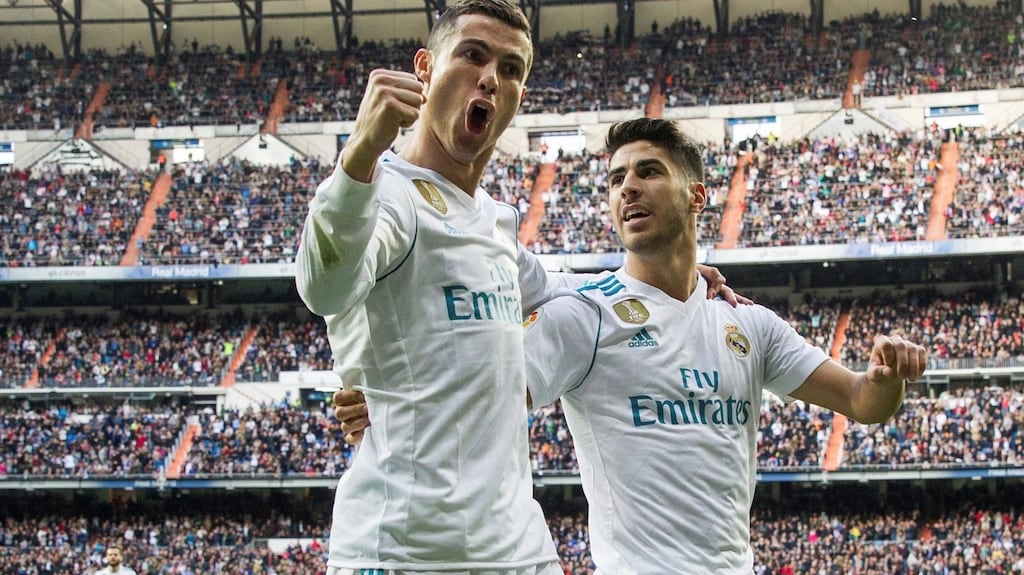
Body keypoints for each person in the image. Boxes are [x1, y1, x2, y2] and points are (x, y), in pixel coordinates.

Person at [336, 118, 928, 574]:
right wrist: (392, 403)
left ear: (697, 196)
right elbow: (482, 401)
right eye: (616, 179)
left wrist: (886, 375)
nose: (627, 189)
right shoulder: (584, 318)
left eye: (648, 172)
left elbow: (861, 402)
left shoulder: (749, 324)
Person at [295, 2, 738, 574]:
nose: (490, 78)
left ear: (516, 99)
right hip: (407, 548)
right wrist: (359, 156)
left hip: (515, 548)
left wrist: (664, 281)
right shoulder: (387, 195)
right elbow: (323, 288)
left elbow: (559, 288)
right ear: (425, 68)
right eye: (472, 55)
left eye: (510, 69)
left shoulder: (494, 222)